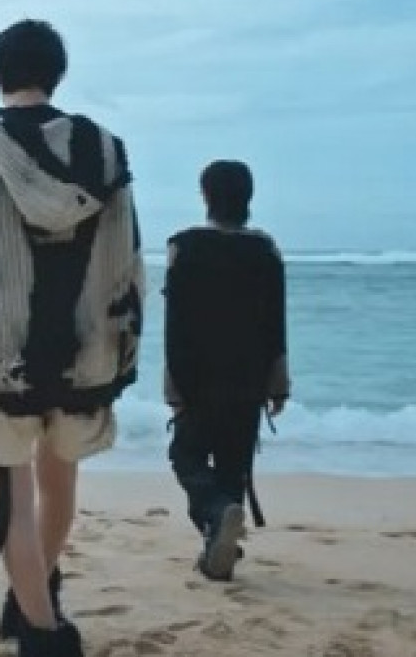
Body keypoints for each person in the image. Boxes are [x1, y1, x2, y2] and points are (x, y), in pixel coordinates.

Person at [0, 20, 144, 657]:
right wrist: (122, 349)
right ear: (57, 73)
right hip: (83, 352)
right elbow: (127, 259)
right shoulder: (103, 150)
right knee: (60, 487)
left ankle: (43, 634)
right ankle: (34, 600)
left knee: (11, 500)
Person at [163, 159, 291, 582]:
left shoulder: (183, 247)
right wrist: (278, 384)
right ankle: (220, 548)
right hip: (248, 379)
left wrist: (173, 388)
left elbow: (176, 323)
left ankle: (217, 517)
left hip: (196, 376)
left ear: (205, 196)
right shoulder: (266, 251)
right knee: (233, 467)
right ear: (248, 197)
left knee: (186, 457)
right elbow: (276, 323)